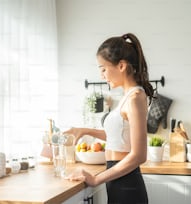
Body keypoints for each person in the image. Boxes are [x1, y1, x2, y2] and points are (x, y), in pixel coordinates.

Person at [64, 33, 154, 204]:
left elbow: (139, 155)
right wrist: (84, 130)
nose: (102, 76)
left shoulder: (135, 98)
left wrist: (96, 179)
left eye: (103, 69)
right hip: (118, 180)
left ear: (121, 66)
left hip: (127, 184)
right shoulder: (128, 97)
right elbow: (119, 138)